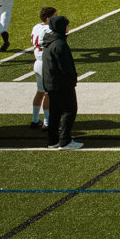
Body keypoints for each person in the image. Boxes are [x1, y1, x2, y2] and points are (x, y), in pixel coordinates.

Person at [41, 13, 80, 150]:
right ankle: (65, 141)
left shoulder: (49, 41)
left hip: (51, 83)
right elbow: (65, 66)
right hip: (61, 83)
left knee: (55, 113)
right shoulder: (59, 44)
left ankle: (53, 141)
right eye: (67, 25)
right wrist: (72, 78)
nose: (68, 27)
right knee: (70, 111)